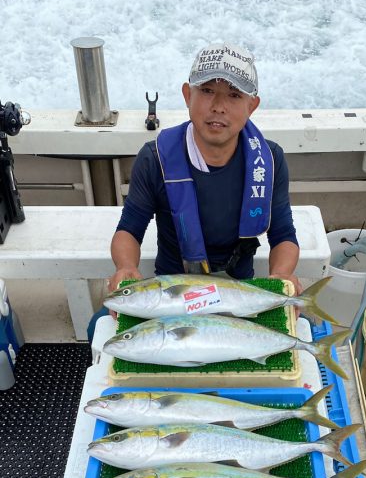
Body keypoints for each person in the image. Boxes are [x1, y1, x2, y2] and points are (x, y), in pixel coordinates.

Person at [89, 42, 300, 340]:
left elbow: (283, 236)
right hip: (171, 294)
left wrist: (281, 276)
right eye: (207, 91)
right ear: (188, 95)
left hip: (238, 294)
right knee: (97, 330)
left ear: (251, 106)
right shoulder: (155, 159)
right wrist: (125, 266)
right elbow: (129, 229)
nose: (218, 106)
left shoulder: (270, 159)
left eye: (234, 95)